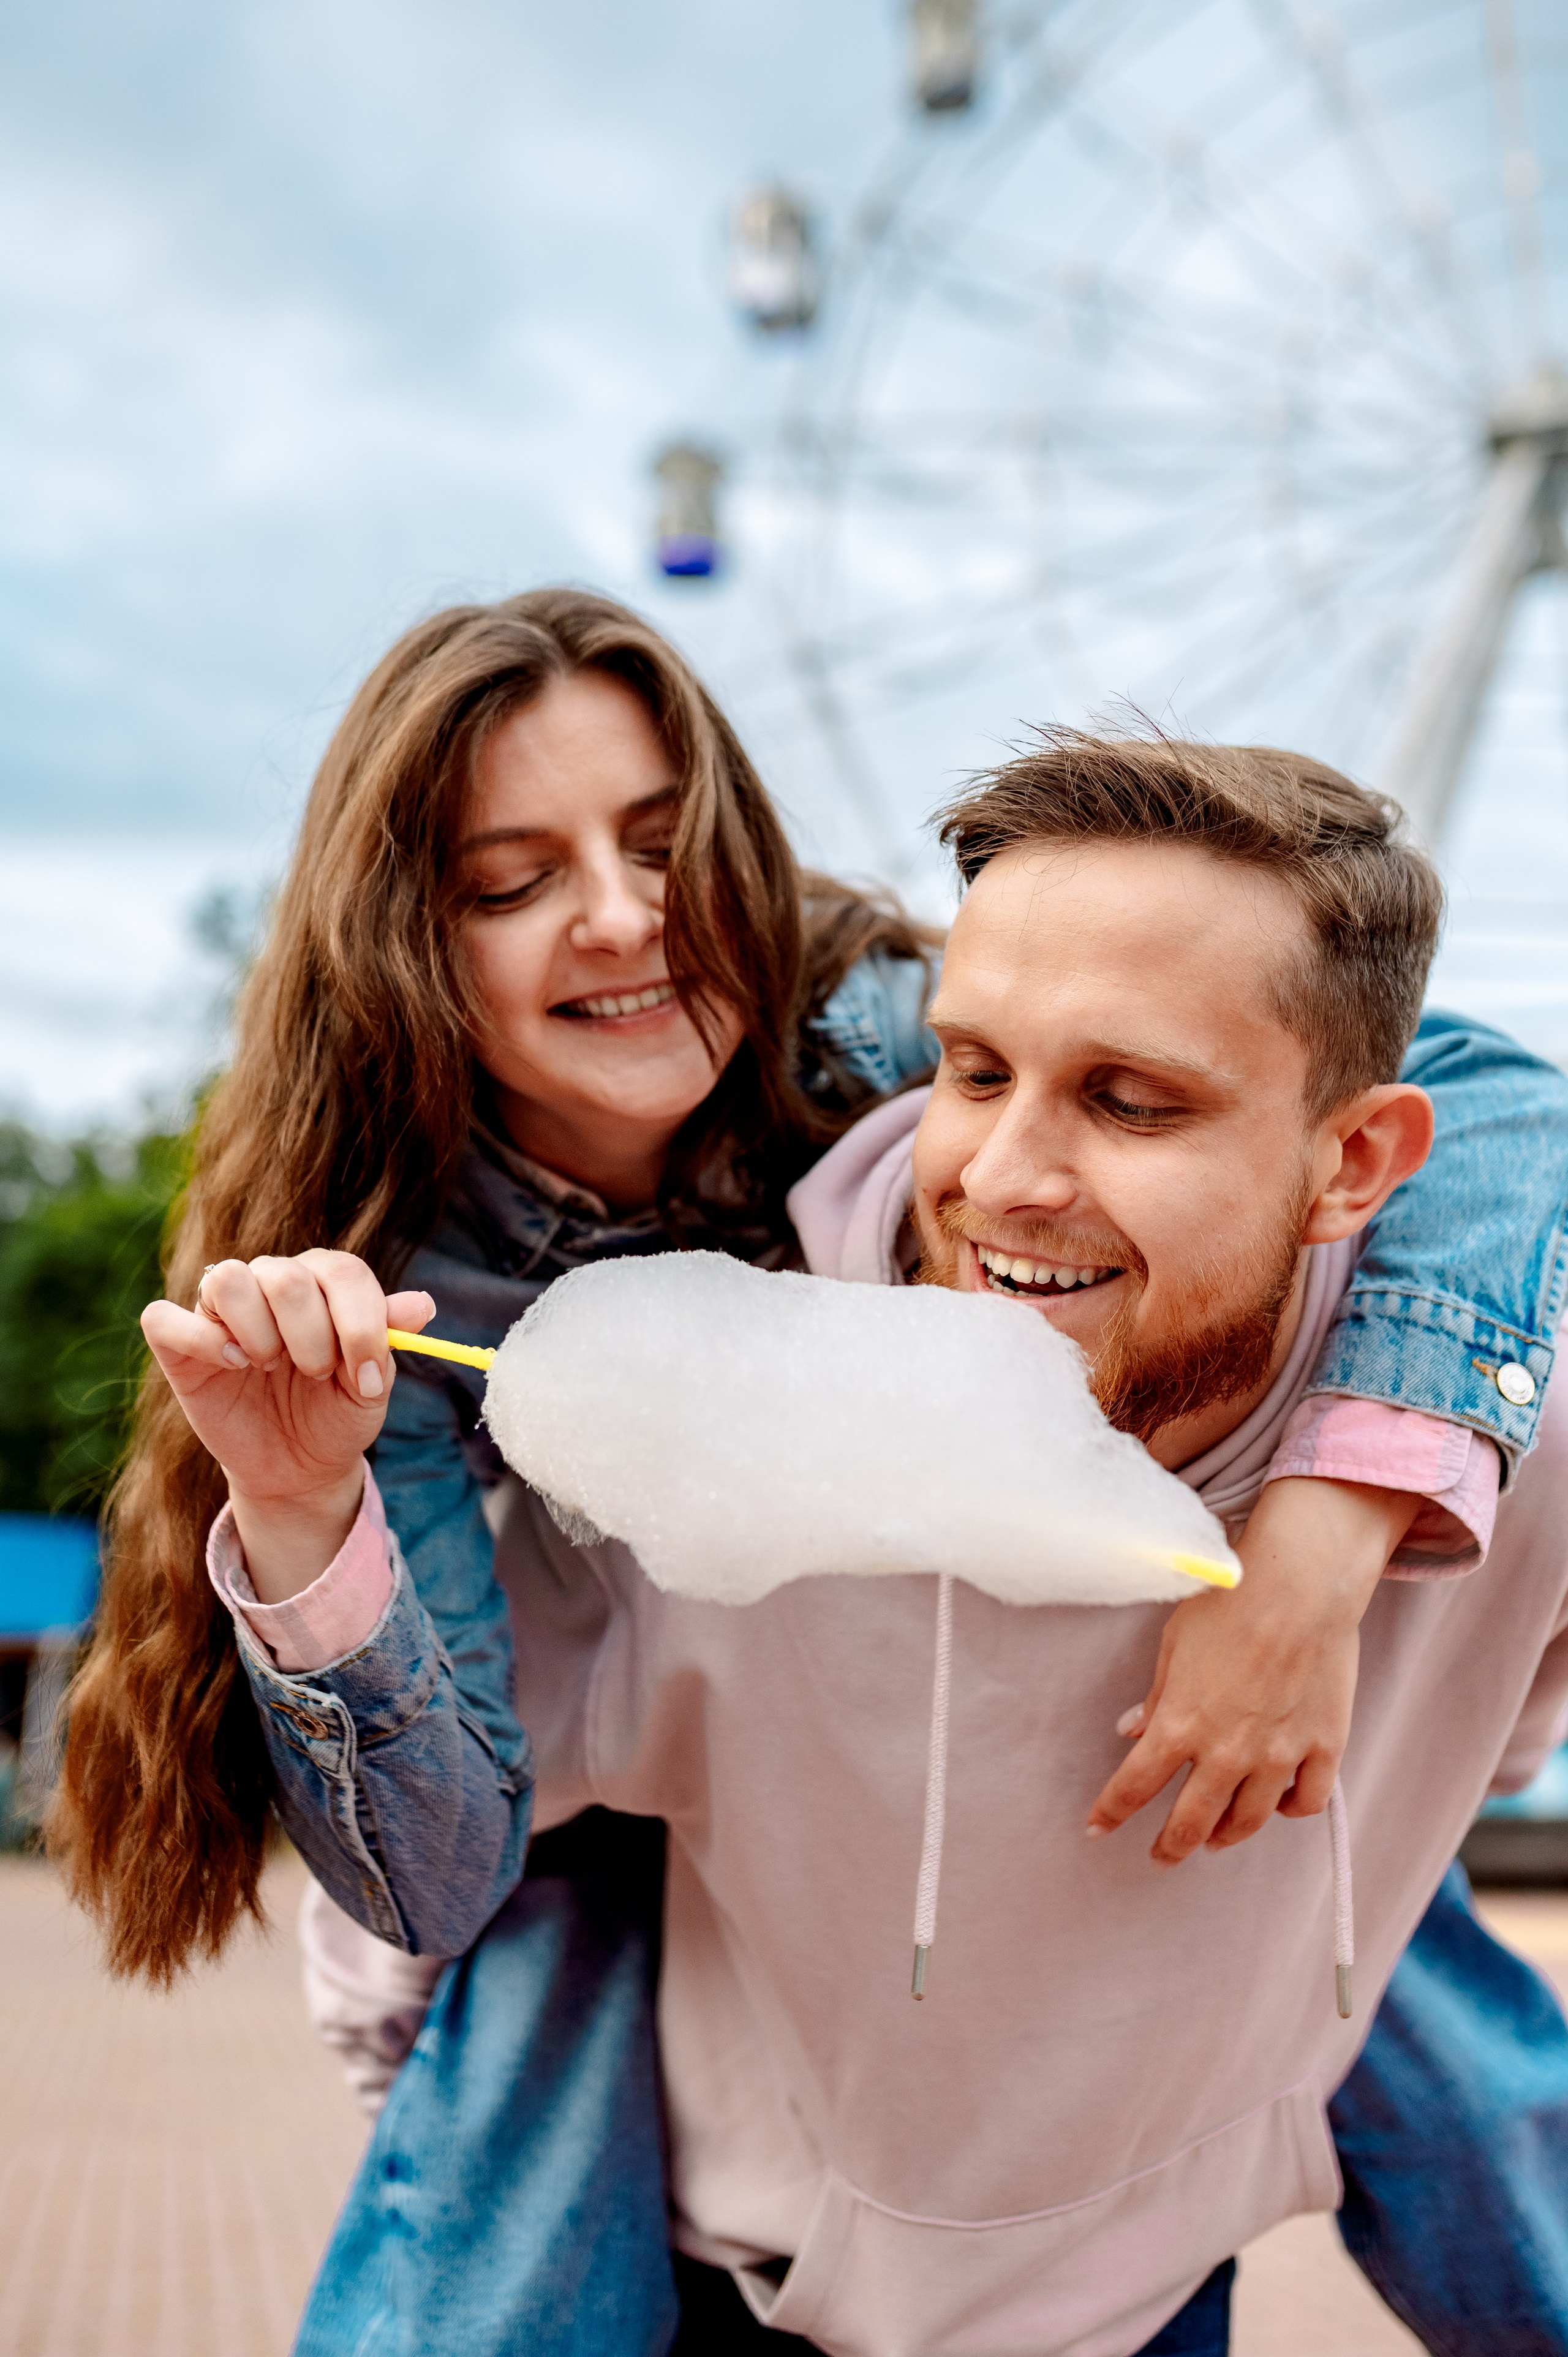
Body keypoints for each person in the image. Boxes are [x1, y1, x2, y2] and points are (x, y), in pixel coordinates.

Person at [51, 598, 1567, 2356]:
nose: (624, 916)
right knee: (541, 2036)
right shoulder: (412, 1286)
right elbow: (450, 1837)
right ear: (409, 952)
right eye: (513, 880)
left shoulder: (871, 1009)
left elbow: (1477, 1091)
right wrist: (304, 1512)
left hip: (1136, 2045)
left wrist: (1328, 1539)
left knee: (1364, 1905)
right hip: (684, 1838)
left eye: (663, 843)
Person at [475, 734, 1568, 2354]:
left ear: (1355, 1163)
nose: (1000, 1179)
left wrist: (1324, 1556)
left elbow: (1497, 1741)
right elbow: (465, 1813)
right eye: (974, 1073)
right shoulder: (707, 1404)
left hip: (1147, 2290)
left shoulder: (1518, 1435)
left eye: (1131, 1103)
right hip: (736, 2284)